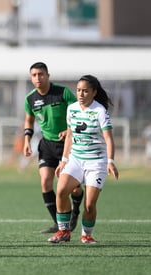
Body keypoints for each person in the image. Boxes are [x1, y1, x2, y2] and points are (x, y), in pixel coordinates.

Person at [48, 75, 119, 244]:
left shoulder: (100, 111)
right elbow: (70, 135)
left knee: (89, 205)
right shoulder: (72, 108)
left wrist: (110, 161)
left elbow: (109, 139)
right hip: (76, 159)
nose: (81, 94)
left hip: (96, 162)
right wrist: (64, 160)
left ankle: (86, 234)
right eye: (79, 90)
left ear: (94, 93)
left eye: (85, 91)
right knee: (61, 191)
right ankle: (64, 231)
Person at [23, 62, 84, 233]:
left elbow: (79, 111)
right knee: (45, 182)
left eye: (41, 74)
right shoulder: (30, 99)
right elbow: (29, 120)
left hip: (68, 145)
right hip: (47, 145)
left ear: (48, 76)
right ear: (31, 78)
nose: (38, 78)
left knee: (74, 188)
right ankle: (58, 223)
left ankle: (75, 211)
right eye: (34, 75)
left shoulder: (62, 92)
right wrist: (27, 140)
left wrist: (68, 130)